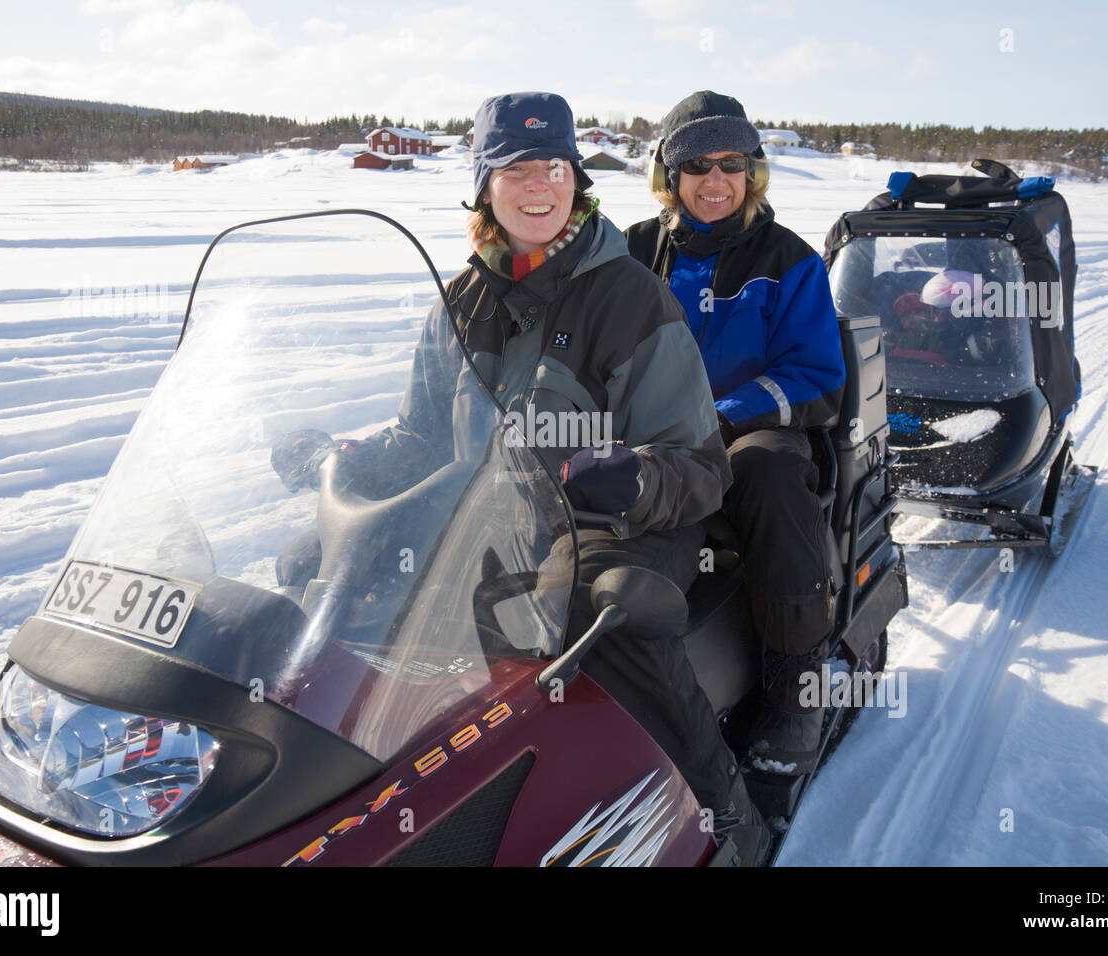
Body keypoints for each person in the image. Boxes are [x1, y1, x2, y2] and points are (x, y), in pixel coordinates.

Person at [274, 91, 770, 860]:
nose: (539, 185)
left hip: (618, 523)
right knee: (317, 563)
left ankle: (724, 812)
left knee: (599, 609)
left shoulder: (629, 295)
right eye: (516, 169)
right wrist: (342, 458)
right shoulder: (461, 300)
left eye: (554, 166)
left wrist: (632, 479)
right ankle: (333, 790)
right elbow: (419, 438)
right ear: (483, 184)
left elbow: (700, 466)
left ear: (577, 177)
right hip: (495, 517)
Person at [624, 91, 847, 777]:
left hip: (750, 437)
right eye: (696, 164)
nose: (714, 180)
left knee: (769, 469)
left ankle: (795, 689)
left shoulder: (790, 260)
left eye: (731, 163)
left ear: (753, 171)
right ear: (670, 174)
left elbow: (815, 374)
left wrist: (725, 416)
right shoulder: (633, 251)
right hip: (652, 438)